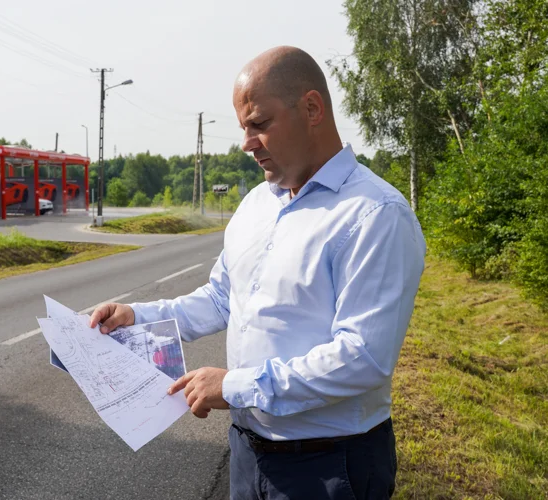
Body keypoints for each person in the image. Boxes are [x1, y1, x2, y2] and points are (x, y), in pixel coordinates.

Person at [89, 46, 425, 499]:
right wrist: (136, 316)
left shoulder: (375, 214)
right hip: (248, 453)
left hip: (329, 467)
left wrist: (234, 385)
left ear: (311, 109)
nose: (247, 143)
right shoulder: (256, 204)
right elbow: (222, 297)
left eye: (259, 124)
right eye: (243, 128)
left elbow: (362, 358)